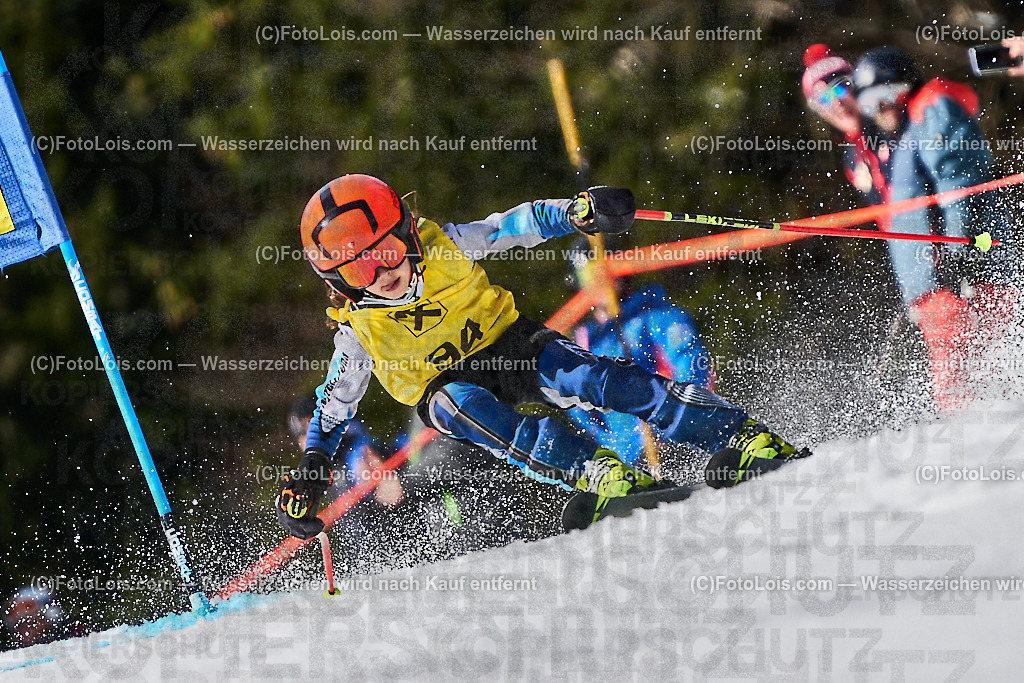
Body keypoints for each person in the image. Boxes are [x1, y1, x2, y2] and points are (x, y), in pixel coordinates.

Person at [275, 175, 808, 539]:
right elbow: (333, 409)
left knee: (600, 380)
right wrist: (313, 469)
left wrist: (578, 213)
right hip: (447, 390)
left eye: (387, 251)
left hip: (509, 344)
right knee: (469, 409)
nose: (383, 273)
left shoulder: (446, 246)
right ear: (337, 282)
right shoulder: (356, 333)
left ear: (408, 234)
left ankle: (738, 435)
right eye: (360, 270)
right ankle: (599, 473)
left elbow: (513, 225)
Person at [851, 46, 1019, 410]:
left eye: (882, 97)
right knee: (961, 383)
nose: (878, 111)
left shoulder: (930, 110)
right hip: (940, 282)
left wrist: (960, 251)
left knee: (985, 371)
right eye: (867, 105)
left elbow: (958, 184)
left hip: (970, 273)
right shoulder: (905, 132)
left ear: (904, 86)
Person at [565, 246, 716, 468]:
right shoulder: (586, 343)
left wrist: (674, 421)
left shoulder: (655, 316)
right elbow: (581, 410)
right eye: (590, 274)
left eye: (605, 268)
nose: (601, 280)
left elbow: (692, 364)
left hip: (677, 440)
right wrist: (614, 445)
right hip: (630, 457)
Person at [802, 44, 892, 223]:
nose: (837, 103)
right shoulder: (852, 160)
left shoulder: (892, 126)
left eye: (841, 88)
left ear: (857, 86)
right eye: (824, 99)